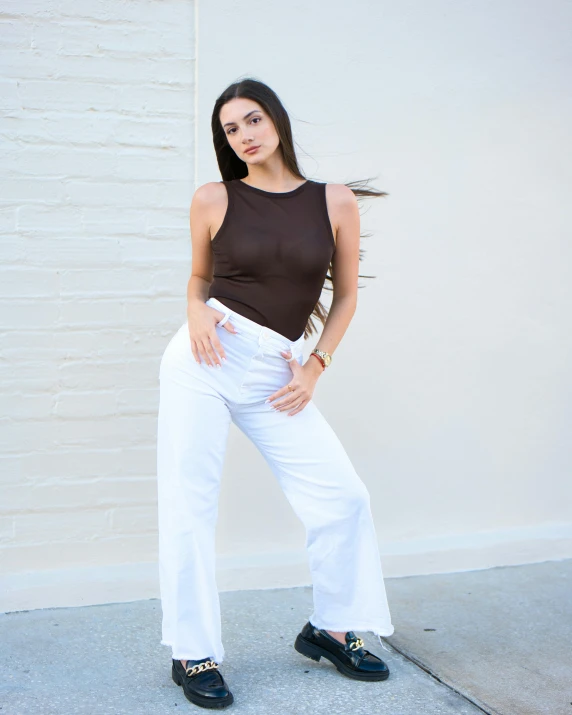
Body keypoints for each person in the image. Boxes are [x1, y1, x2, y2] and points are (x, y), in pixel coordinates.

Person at [156, 78, 394, 710]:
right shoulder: (213, 197)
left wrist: (315, 365)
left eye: (253, 119)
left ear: (278, 120)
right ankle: (192, 651)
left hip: (279, 370)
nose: (245, 135)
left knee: (343, 498)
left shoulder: (334, 201)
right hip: (205, 357)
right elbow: (199, 276)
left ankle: (332, 629)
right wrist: (194, 310)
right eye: (232, 129)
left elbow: (345, 295)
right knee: (190, 503)